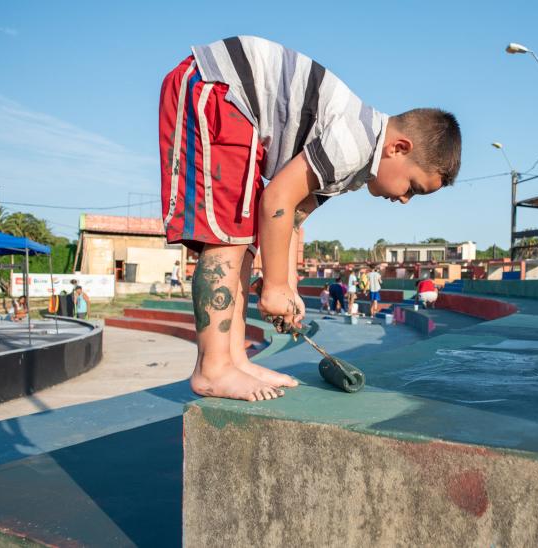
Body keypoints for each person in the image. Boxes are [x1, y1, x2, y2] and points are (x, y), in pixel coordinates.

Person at [159, 35, 461, 401]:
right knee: (228, 240)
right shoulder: (355, 142)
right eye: (413, 186)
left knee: (244, 242)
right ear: (398, 148)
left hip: (235, 105)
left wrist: (289, 288)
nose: (405, 199)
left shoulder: (356, 168)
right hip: (219, 90)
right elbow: (276, 198)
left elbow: (290, 218)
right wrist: (272, 288)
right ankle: (213, 369)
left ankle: (234, 359)